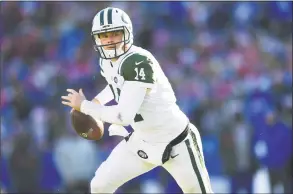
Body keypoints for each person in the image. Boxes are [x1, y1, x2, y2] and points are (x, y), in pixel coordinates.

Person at [61, 7, 213, 194]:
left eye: (115, 34)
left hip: (175, 142)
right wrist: (97, 102)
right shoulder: (106, 61)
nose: (109, 40)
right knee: (100, 186)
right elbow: (115, 85)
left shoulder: (137, 61)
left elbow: (123, 115)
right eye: (104, 35)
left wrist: (85, 106)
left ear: (127, 33)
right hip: (141, 141)